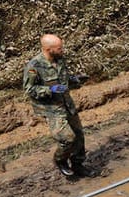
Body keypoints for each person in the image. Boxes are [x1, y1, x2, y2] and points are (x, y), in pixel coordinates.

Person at [22, 33, 87, 179]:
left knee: (78, 136)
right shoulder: (34, 67)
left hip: (67, 104)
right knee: (67, 138)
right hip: (52, 109)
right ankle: (60, 160)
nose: (62, 50)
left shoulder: (60, 60)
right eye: (59, 48)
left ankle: (78, 165)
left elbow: (64, 78)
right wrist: (49, 90)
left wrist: (75, 79)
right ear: (48, 49)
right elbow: (30, 90)